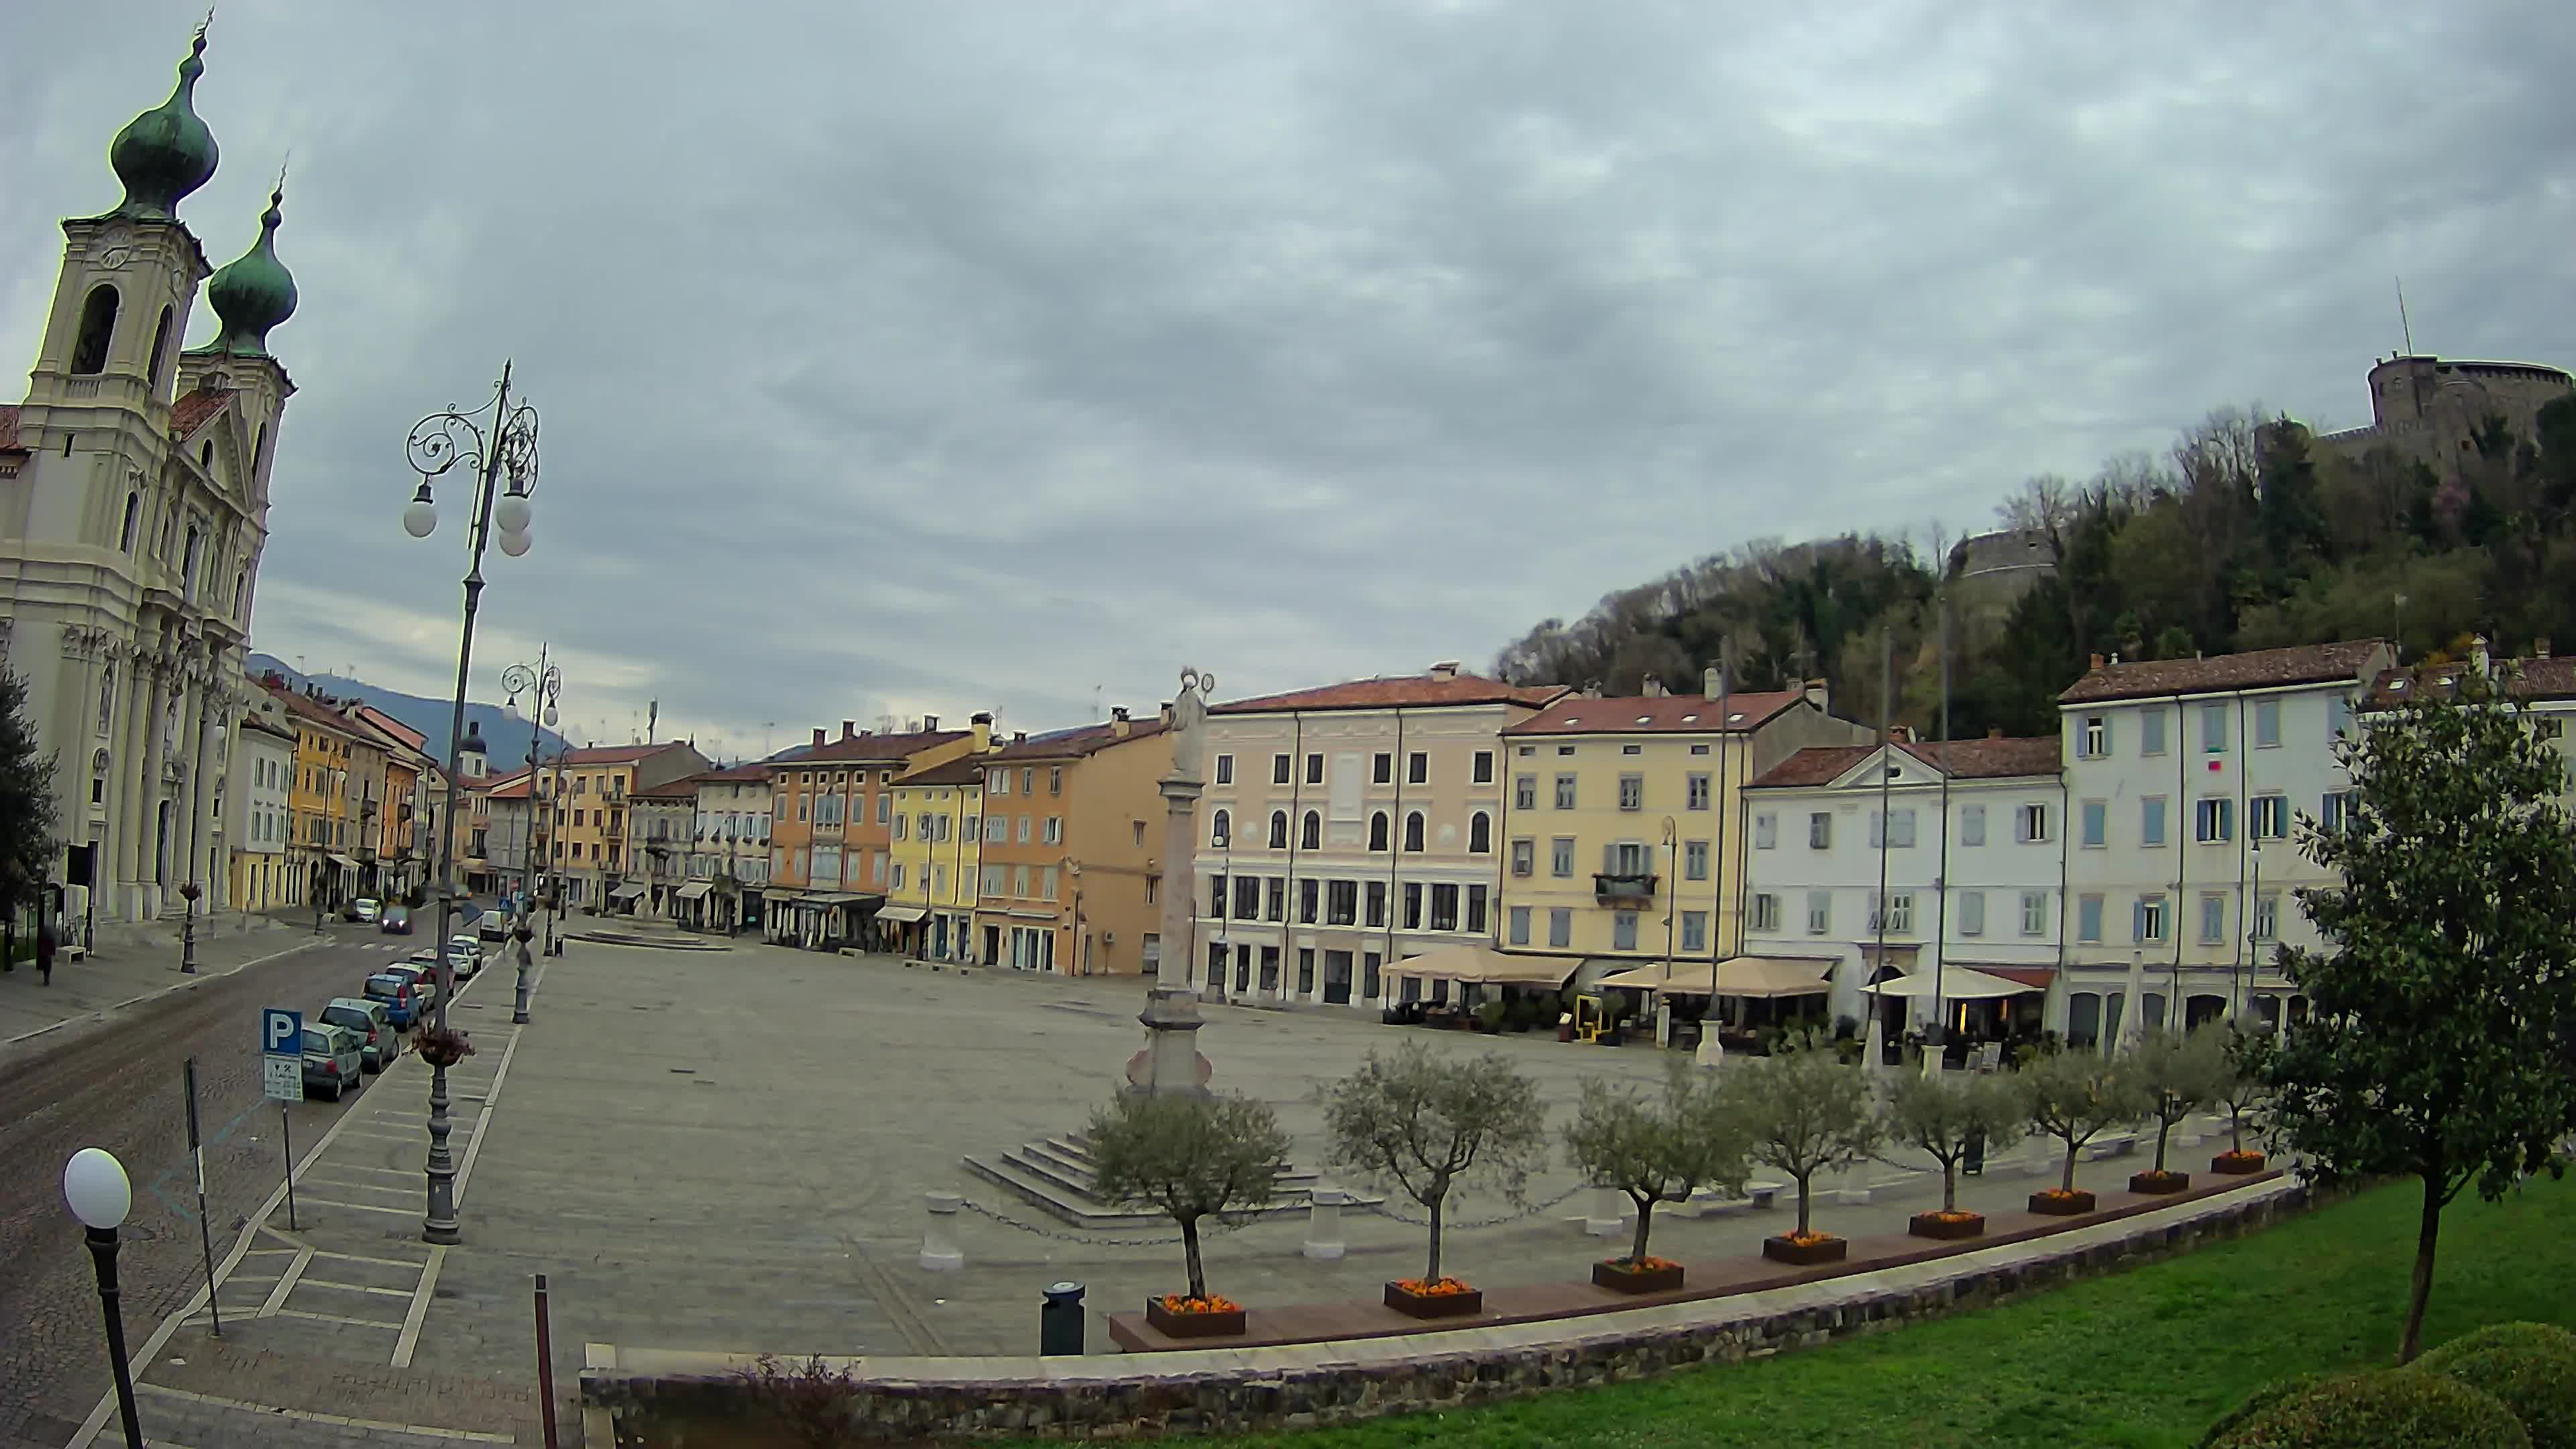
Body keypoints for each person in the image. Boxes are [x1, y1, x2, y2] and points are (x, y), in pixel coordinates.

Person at [37, 914, 55, 987]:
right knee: (48, 967)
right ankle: (47, 979)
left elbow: (41, 945)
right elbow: (52, 946)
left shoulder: (43, 937)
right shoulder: (50, 938)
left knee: (45, 968)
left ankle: (46, 979)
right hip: (48, 955)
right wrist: (53, 953)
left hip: (44, 954)